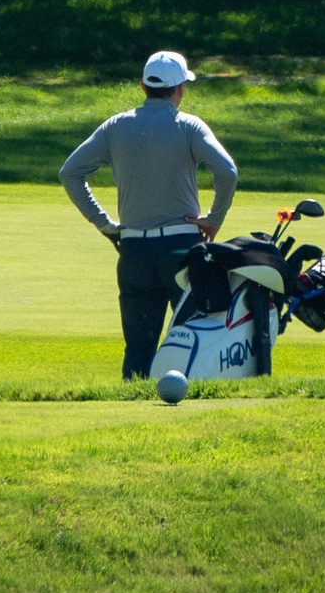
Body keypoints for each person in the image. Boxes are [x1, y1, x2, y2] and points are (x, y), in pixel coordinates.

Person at [61, 50, 240, 380]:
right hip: (182, 249)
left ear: (144, 86)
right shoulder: (189, 126)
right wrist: (215, 218)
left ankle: (132, 401)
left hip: (134, 252)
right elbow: (227, 171)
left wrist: (104, 224)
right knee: (194, 342)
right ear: (180, 88)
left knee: (138, 349)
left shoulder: (116, 126)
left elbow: (70, 173)